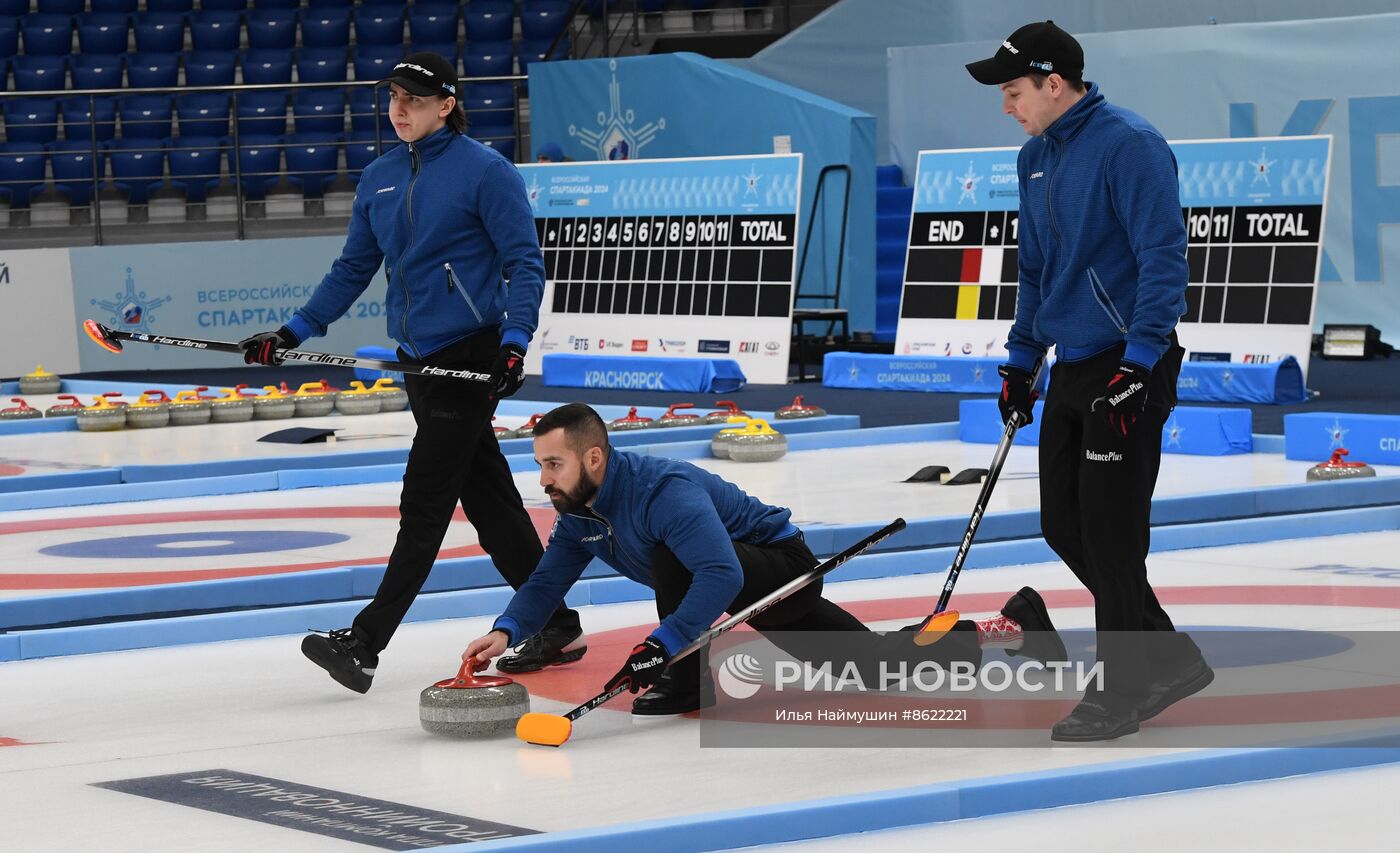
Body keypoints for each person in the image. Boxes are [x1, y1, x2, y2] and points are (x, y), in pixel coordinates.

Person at [239, 52, 584, 694]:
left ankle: (365, 642)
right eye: (394, 96)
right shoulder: (379, 176)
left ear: (446, 105)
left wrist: (513, 343)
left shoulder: (486, 170)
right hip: (419, 360)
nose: (399, 108)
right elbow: (351, 270)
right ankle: (556, 622)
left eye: (415, 99)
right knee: (487, 499)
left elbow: (524, 264)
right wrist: (290, 334)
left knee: (425, 502)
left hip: (471, 352)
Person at [461, 403, 1066, 715]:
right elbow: (547, 580)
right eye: (539, 464)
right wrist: (505, 629)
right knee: (877, 669)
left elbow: (719, 572)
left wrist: (665, 645)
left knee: (680, 556)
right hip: (743, 582)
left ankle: (688, 682)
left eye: (552, 464)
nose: (542, 478)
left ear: (593, 459)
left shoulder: (662, 492)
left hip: (780, 567)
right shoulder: (579, 513)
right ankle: (1010, 626)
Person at [967, 21, 1213, 741]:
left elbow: (1164, 258)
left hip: (1129, 363)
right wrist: (1020, 361)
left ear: (1053, 82)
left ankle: (1120, 692)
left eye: (1013, 91)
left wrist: (1141, 363)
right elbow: (1038, 269)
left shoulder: (1130, 145)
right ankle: (1169, 654)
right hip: (1072, 361)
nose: (1007, 105)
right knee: (1064, 523)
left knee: (1112, 532)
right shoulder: (1034, 158)